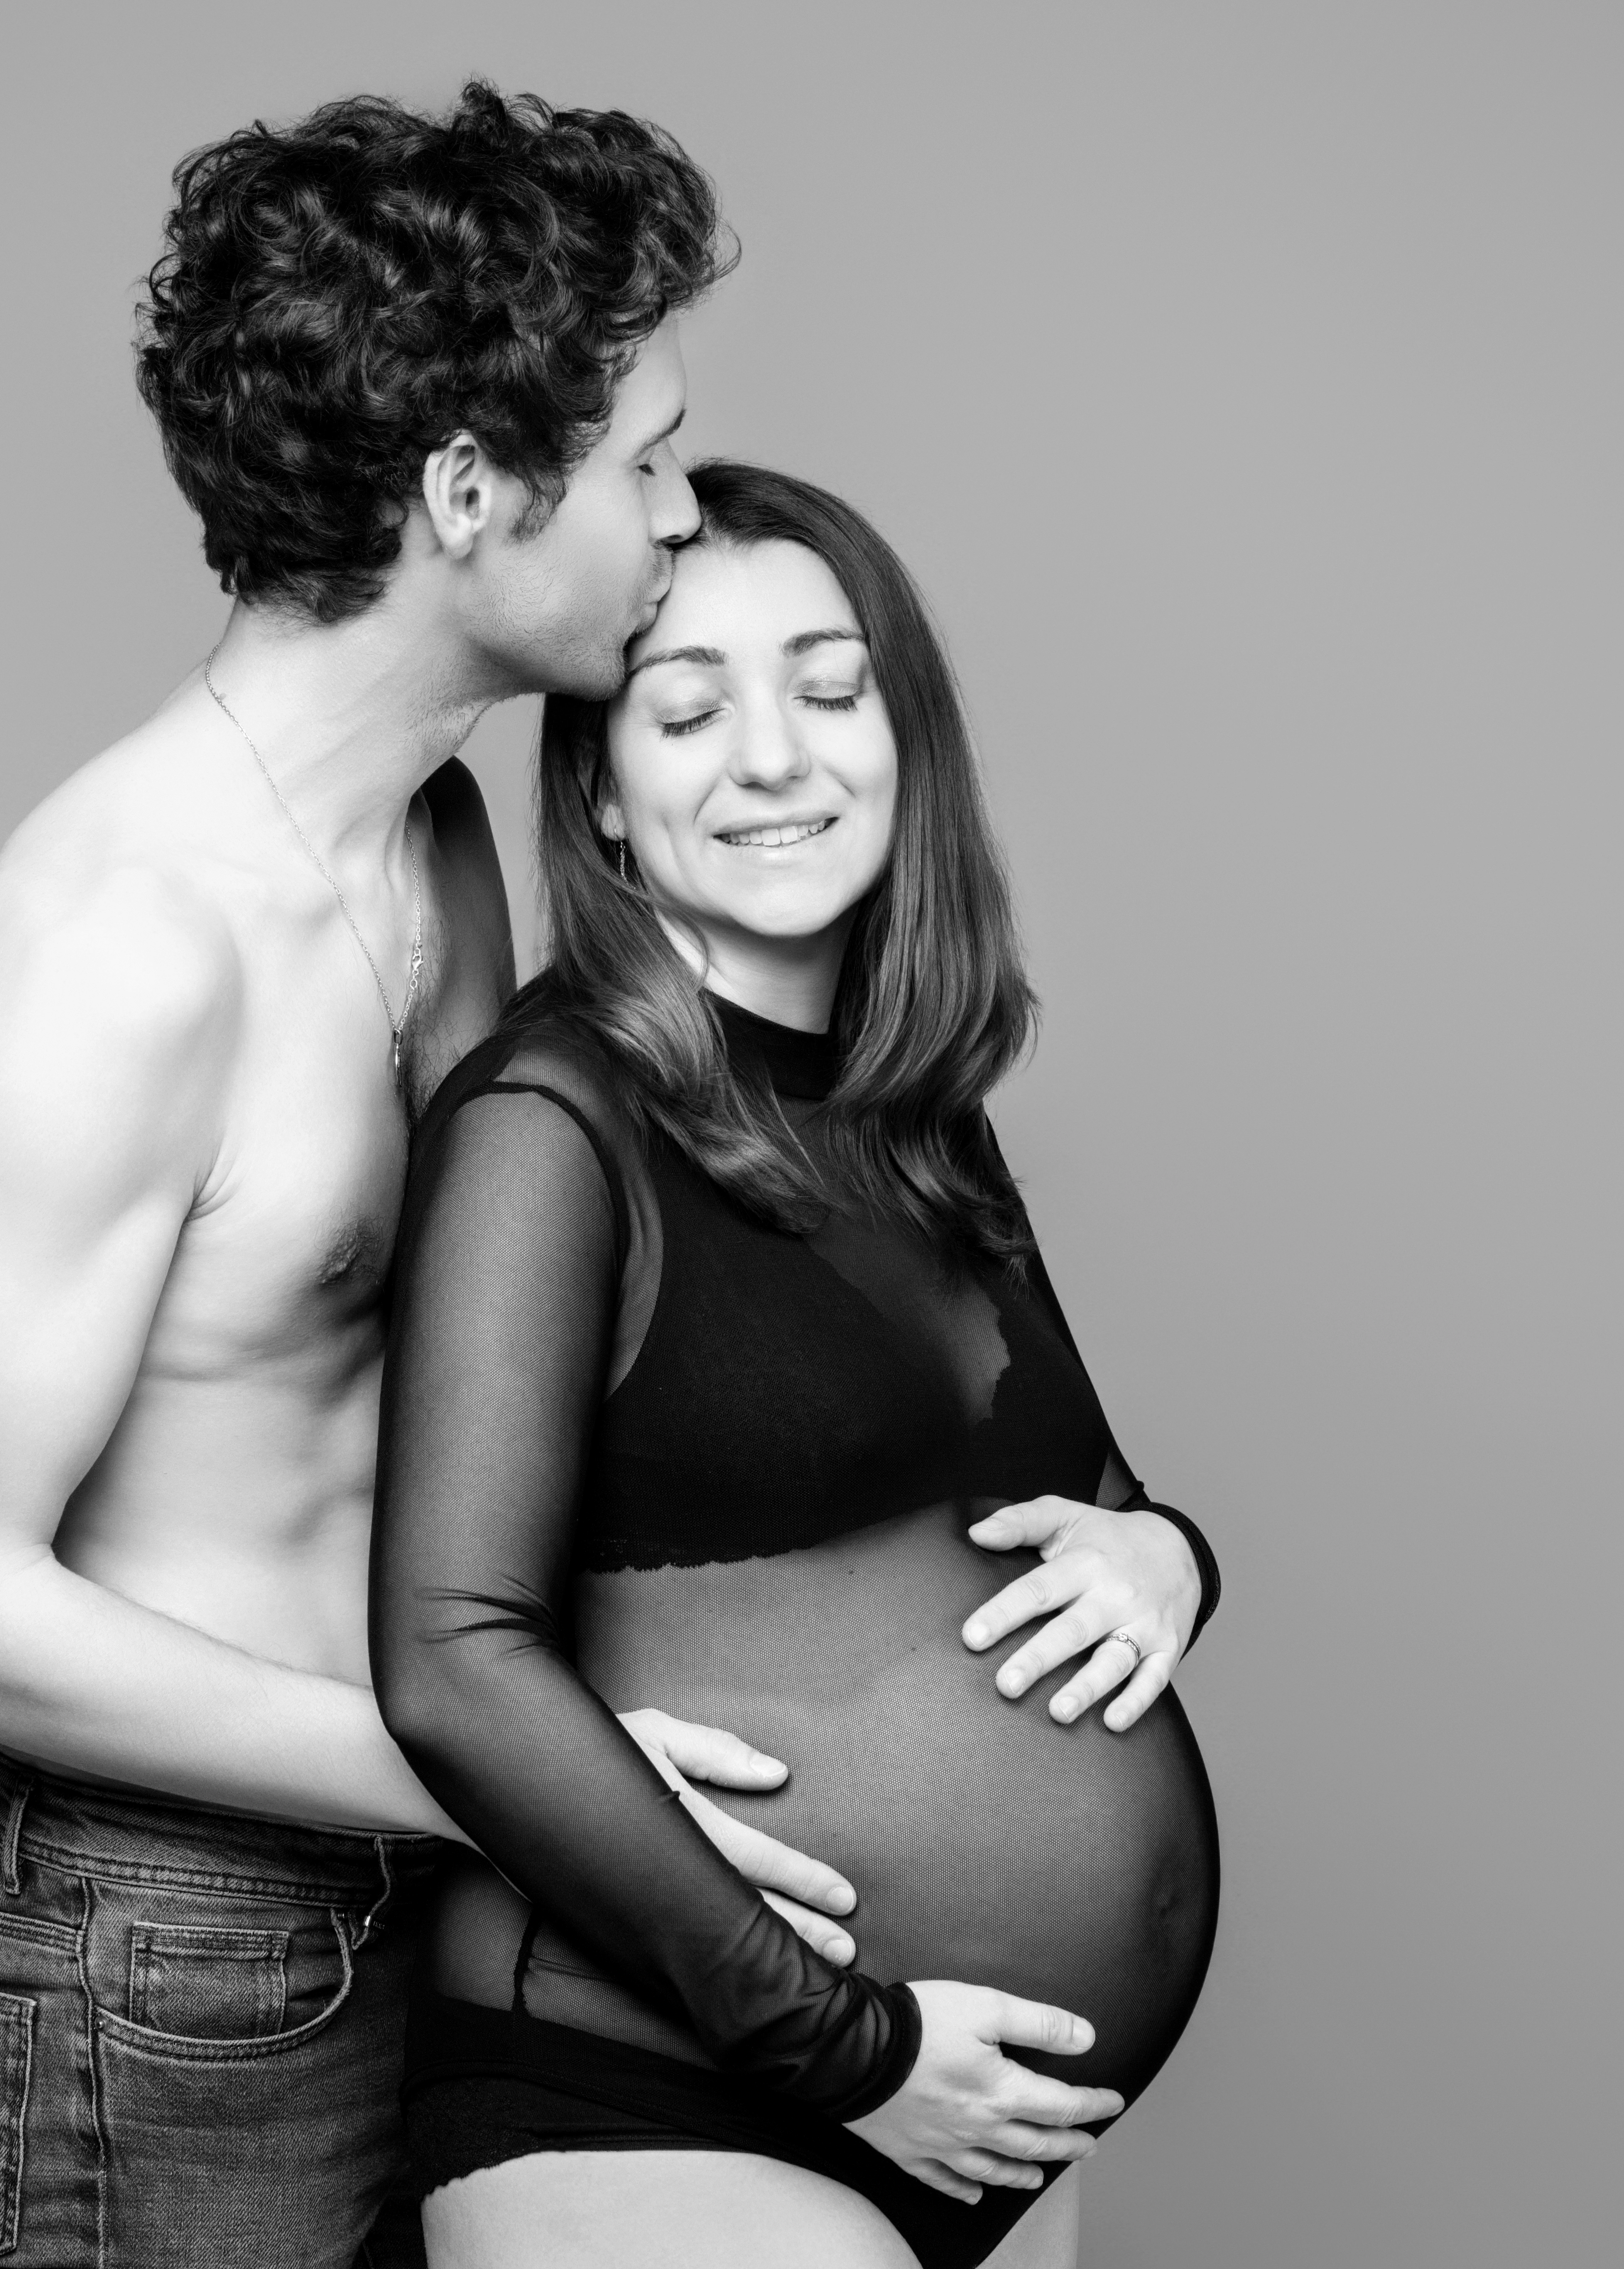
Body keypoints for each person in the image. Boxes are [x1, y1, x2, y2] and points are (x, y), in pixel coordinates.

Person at [0, 89, 861, 2269]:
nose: (687, 517)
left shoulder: (430, 836)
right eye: (647, 464)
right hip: (175, 1955)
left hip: (448, 1870)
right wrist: (520, 1785)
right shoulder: (119, 945)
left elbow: (528, 1349)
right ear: (472, 495)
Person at [372, 463, 1224, 2269]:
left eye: (831, 691)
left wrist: (1176, 1559)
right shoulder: (552, 1121)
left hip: (976, 2107)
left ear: (906, 743)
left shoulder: (911, 1113)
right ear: (600, 790)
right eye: (689, 709)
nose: (776, 757)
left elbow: (1088, 1498)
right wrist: (853, 2049)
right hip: (660, 2080)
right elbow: (451, 1663)